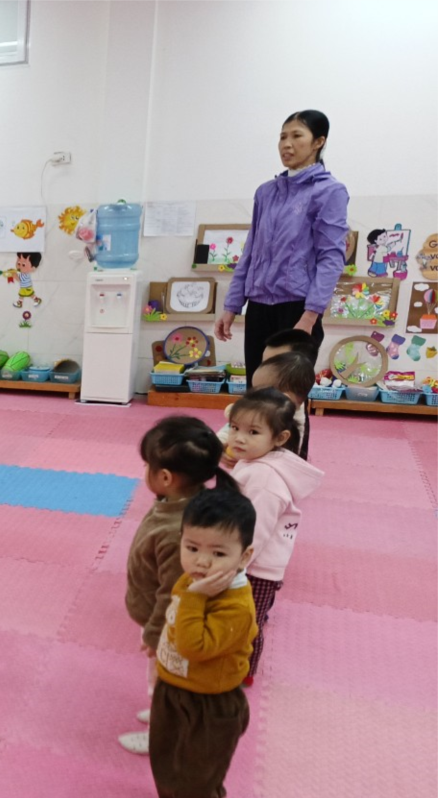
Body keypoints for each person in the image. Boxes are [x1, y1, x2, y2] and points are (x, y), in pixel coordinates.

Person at [148, 489, 259, 798]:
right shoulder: (194, 581)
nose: (202, 562)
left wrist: (195, 597)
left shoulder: (235, 605)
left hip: (211, 705)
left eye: (218, 554)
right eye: (192, 548)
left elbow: (195, 646)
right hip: (175, 688)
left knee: (198, 773)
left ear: (244, 556)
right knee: (166, 756)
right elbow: (176, 617)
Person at [119, 416, 238, 755]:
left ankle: (163, 733)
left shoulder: (178, 531)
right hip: (161, 617)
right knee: (160, 677)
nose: (145, 470)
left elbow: (173, 592)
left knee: (164, 679)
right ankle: (163, 715)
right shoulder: (174, 502)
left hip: (169, 626)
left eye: (148, 465)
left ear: (166, 478)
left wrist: (156, 633)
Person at [215, 110, 349, 381]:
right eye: (282, 137)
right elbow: (250, 252)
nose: (286, 144)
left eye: (297, 136)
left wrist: (310, 316)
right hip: (258, 306)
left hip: (298, 307)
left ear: (318, 142)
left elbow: (331, 258)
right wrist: (231, 307)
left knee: (288, 393)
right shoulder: (266, 192)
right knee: (257, 389)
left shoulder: (329, 191)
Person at [226, 389, 323, 684]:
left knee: (247, 622)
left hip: (255, 567)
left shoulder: (264, 478)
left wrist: (233, 567)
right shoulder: (254, 461)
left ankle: (243, 673)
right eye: (234, 428)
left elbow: (256, 529)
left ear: (279, 438)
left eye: (253, 432)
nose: (239, 438)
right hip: (248, 559)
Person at [219, 350, 317, 465]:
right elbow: (233, 428)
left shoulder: (283, 419)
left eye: (260, 392)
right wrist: (220, 446)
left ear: (282, 398)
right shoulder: (274, 409)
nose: (253, 396)